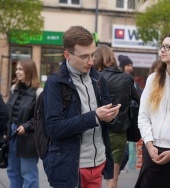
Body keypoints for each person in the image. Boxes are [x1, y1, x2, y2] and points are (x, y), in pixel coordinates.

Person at [43, 26, 121, 188]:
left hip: (98, 162)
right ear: (67, 55)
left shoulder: (99, 80)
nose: (91, 61)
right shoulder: (55, 83)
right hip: (70, 166)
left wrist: (112, 116)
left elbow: (109, 121)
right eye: (84, 56)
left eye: (93, 55)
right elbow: (53, 128)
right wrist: (95, 117)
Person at [134, 33, 170, 188]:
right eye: (162, 46)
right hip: (152, 150)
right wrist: (149, 144)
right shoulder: (153, 78)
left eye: (168, 47)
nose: (162, 50)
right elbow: (143, 116)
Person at [93, 44, 139, 188]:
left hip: (97, 131)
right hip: (119, 131)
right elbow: (136, 101)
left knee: (94, 177)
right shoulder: (126, 78)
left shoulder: (94, 78)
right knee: (113, 178)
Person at [5, 58, 41, 188]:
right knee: (13, 172)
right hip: (12, 135)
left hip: (28, 138)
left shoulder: (38, 92)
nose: (17, 72)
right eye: (17, 69)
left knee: (29, 174)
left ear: (29, 71)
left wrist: (26, 126)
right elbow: (8, 113)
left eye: (20, 69)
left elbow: (39, 119)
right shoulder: (14, 88)